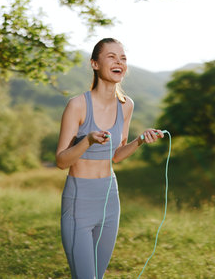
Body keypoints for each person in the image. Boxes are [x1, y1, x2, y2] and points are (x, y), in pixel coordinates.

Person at [56, 37, 164, 279]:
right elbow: (62, 161)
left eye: (123, 58)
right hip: (79, 200)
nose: (119, 62)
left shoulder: (126, 105)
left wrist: (140, 141)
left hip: (109, 198)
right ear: (95, 64)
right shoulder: (77, 105)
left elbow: (116, 156)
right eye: (112, 57)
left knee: (97, 275)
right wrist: (87, 141)